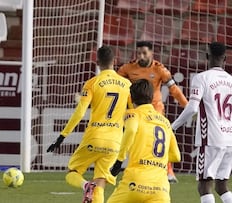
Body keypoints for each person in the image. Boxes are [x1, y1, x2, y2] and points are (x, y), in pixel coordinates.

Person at [47, 45, 131, 203]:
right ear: (115, 61)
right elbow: (133, 115)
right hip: (115, 142)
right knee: (100, 182)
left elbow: (79, 113)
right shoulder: (126, 85)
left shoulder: (92, 83)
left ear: (97, 62)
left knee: (72, 172)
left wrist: (62, 136)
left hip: (95, 137)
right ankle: (91, 187)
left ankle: (85, 185)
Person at [117, 41, 188, 183]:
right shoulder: (127, 68)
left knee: (162, 139)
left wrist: (187, 107)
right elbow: (116, 85)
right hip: (135, 111)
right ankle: (132, 168)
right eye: (138, 53)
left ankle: (168, 171)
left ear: (151, 53)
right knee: (135, 140)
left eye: (144, 53)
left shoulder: (160, 69)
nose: (141, 56)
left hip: (156, 110)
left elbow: (174, 90)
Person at [171, 42, 232, 203]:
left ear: (207, 56)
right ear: (225, 58)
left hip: (211, 139)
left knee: (204, 186)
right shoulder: (231, 80)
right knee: (222, 186)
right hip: (229, 139)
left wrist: (173, 126)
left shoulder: (201, 78)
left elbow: (192, 108)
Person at [107, 79, 181, 203]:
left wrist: (119, 161)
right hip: (160, 188)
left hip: (136, 182)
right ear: (152, 97)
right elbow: (176, 156)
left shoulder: (133, 114)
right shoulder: (165, 122)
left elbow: (130, 130)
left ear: (131, 98)